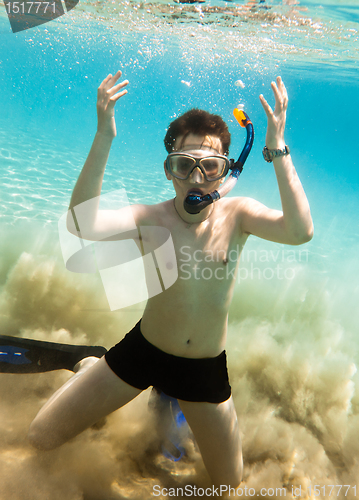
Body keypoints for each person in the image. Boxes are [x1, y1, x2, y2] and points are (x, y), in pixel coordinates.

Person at [28, 71, 313, 489]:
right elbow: (81, 224)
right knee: (40, 438)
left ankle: (170, 399)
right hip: (143, 352)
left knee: (226, 486)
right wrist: (104, 134)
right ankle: (91, 360)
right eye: (184, 166)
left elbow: (300, 231)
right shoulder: (151, 218)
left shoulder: (238, 215)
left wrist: (277, 148)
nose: (196, 181)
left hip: (204, 371)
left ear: (226, 173)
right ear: (169, 170)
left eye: (210, 167)